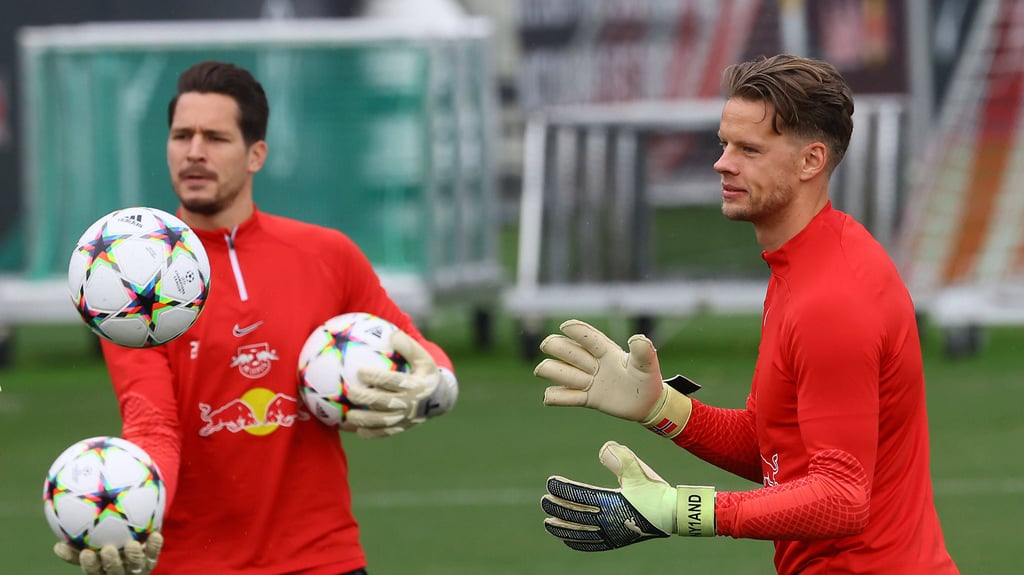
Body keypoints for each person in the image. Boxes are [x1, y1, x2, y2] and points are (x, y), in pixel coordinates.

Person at [533, 54, 960, 574]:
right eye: (724, 143)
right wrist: (661, 407)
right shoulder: (803, 264)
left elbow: (842, 496)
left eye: (749, 150)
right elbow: (775, 450)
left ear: (811, 161)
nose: (723, 162)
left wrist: (682, 510)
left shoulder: (832, 298)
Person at [53, 60, 458, 575]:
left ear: (256, 154)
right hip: (191, 566)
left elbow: (425, 359)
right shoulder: (134, 286)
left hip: (323, 559)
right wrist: (136, 517)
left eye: (215, 137)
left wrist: (434, 391)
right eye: (181, 135)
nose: (194, 151)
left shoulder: (328, 255)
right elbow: (154, 426)